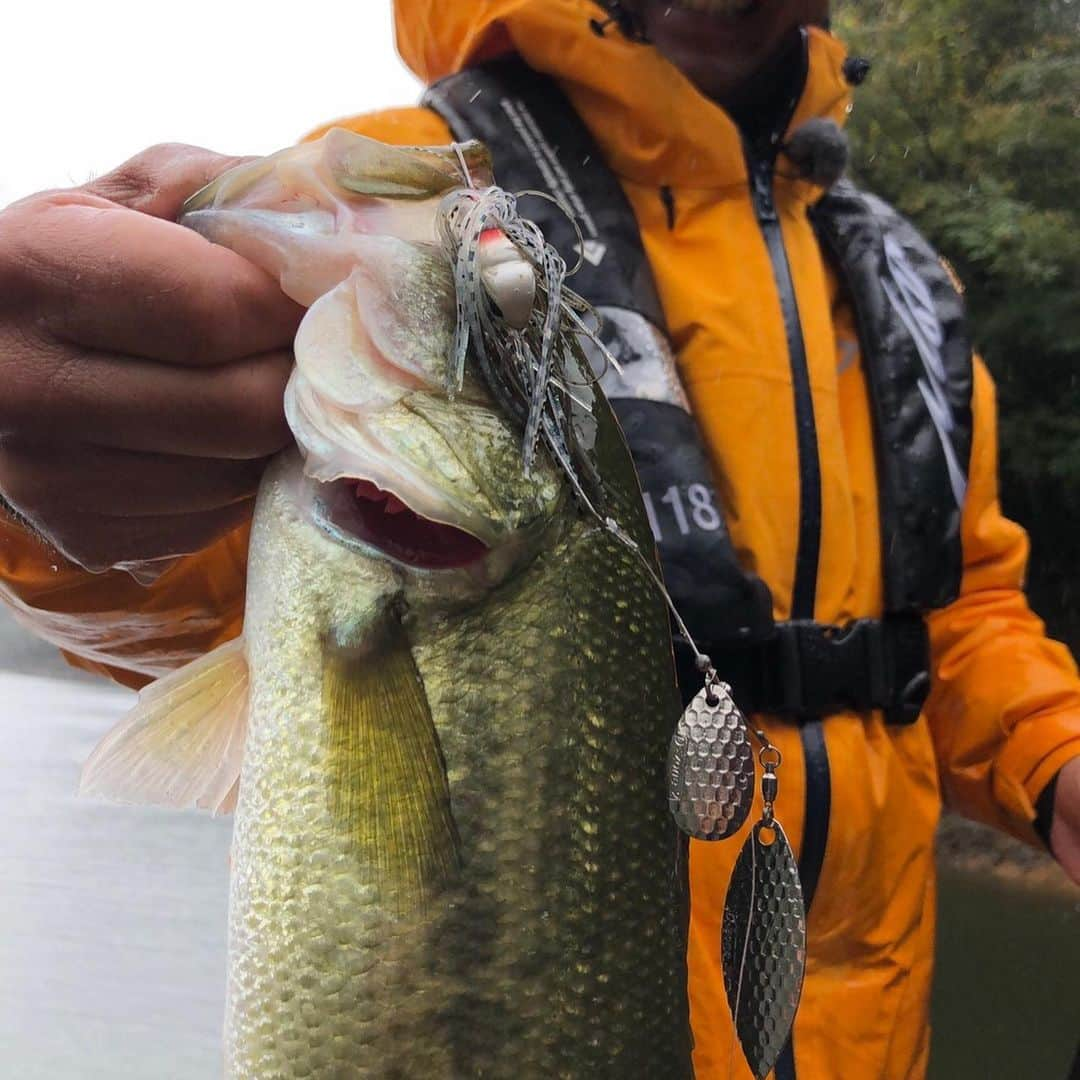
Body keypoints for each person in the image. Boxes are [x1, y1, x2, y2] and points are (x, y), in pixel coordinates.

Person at [0, 1, 1077, 1076]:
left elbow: (960, 614)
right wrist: (56, 484)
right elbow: (180, 589)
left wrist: (1060, 760)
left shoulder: (898, 277)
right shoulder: (436, 193)